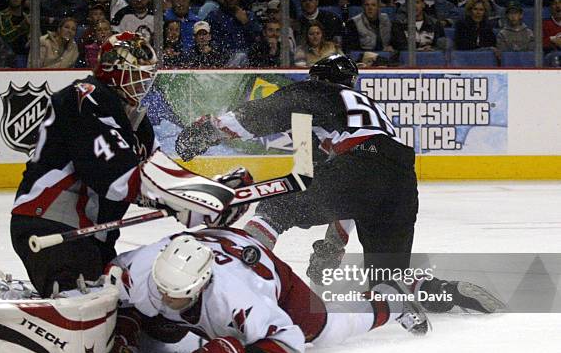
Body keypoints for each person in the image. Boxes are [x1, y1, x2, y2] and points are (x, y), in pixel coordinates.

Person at [174, 54, 505, 315]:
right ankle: (445, 292)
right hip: (402, 180)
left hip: (360, 166)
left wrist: (206, 131)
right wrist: (334, 246)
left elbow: (262, 114)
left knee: (277, 206)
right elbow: (349, 192)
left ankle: (237, 273)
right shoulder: (366, 110)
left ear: (318, 80)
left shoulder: (315, 92)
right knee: (388, 280)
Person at [10, 31, 240, 299]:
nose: (144, 82)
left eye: (147, 74)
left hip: (93, 236)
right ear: (113, 70)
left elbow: (156, 179)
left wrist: (201, 206)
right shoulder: (84, 97)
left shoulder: (136, 122)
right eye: (136, 73)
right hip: (51, 224)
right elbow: (117, 178)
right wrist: (203, 195)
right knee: (84, 312)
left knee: (122, 309)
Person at [108, 229, 430, 353]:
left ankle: (392, 300)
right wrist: (125, 318)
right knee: (161, 327)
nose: (165, 297)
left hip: (262, 269)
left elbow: (291, 346)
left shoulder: (236, 299)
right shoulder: (144, 269)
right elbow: (106, 283)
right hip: (208, 241)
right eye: (162, 288)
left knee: (323, 329)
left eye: (175, 294)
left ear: (201, 286)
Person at [0, 0, 30, 67]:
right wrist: (21, 27)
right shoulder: (0, 16)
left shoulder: (28, 16)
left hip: (30, 56)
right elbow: (3, 37)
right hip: (10, 57)